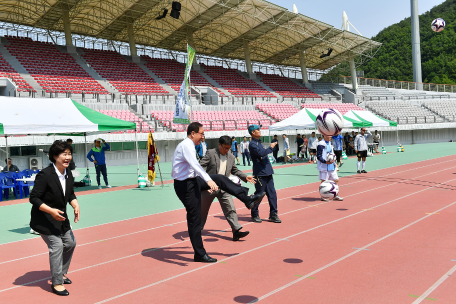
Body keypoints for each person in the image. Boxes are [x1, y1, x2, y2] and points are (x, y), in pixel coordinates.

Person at [172, 122, 265, 263]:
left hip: (192, 181)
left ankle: (247, 199)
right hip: (185, 186)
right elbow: (195, 165)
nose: (203, 137)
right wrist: (208, 181)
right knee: (195, 220)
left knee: (221, 178)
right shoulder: (186, 145)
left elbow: (229, 170)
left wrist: (212, 179)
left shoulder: (191, 145)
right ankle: (199, 254)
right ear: (193, 133)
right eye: (201, 134)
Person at [30, 140, 80, 296]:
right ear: (54, 156)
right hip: (45, 219)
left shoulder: (68, 172)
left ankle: (61, 273)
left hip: (60, 218)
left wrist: (75, 204)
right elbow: (34, 198)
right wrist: (51, 211)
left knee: (71, 243)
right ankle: (57, 283)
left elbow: (70, 193)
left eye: (69, 154)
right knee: (57, 246)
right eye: (64, 154)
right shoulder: (45, 174)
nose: (67, 157)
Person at [199, 136, 256, 241]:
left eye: (228, 148)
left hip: (224, 188)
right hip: (210, 188)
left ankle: (236, 231)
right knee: (202, 210)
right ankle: (196, 230)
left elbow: (234, 170)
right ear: (219, 144)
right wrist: (206, 183)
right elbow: (200, 168)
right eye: (224, 148)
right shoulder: (210, 153)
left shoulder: (231, 157)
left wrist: (245, 176)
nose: (226, 150)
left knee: (231, 209)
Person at [248, 124, 281, 223]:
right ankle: (254, 214)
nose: (260, 130)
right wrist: (270, 147)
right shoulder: (252, 144)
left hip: (267, 172)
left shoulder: (258, 143)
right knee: (259, 194)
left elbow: (263, 152)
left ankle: (273, 214)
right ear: (253, 132)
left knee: (272, 194)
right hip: (260, 173)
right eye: (258, 129)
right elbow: (261, 153)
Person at [317, 135, 343, 201]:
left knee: (336, 180)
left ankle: (336, 194)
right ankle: (323, 196)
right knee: (324, 181)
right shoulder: (321, 144)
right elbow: (319, 156)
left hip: (332, 165)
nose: (331, 137)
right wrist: (325, 161)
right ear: (325, 136)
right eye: (329, 136)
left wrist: (335, 162)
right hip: (325, 166)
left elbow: (332, 153)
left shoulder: (330, 143)